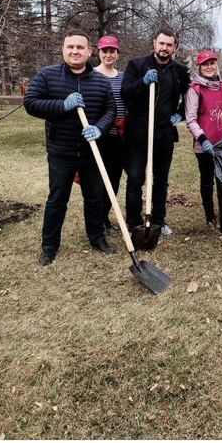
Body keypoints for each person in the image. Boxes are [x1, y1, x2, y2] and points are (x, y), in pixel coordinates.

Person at [24, 30, 117, 266]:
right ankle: (49, 246)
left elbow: (110, 110)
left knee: (94, 198)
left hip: (92, 151)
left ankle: (97, 239)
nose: (75, 51)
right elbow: (31, 103)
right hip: (61, 151)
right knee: (57, 199)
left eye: (80, 47)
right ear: (63, 50)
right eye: (70, 47)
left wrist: (99, 129)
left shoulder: (101, 82)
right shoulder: (48, 75)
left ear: (89, 51)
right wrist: (62, 105)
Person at [120, 28, 190, 237]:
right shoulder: (137, 65)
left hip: (164, 132)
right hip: (138, 131)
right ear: (154, 43)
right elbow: (125, 91)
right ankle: (133, 223)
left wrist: (180, 114)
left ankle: (158, 219)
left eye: (169, 45)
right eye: (161, 43)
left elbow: (191, 96)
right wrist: (142, 82)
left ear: (174, 47)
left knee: (161, 179)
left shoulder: (178, 70)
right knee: (135, 178)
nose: (164, 48)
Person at [185, 50, 222, 231]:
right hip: (205, 145)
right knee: (207, 180)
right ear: (199, 67)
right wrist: (202, 139)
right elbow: (191, 119)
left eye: (211, 63)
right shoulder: (195, 89)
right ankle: (209, 215)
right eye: (205, 64)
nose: (209, 67)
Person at [93, 35, 127, 232]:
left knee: (113, 180)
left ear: (117, 54)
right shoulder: (92, 75)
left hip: (118, 136)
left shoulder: (122, 77)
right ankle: (96, 221)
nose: (108, 54)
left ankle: (105, 217)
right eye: (104, 51)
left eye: (112, 51)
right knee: (97, 180)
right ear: (98, 52)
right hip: (98, 136)